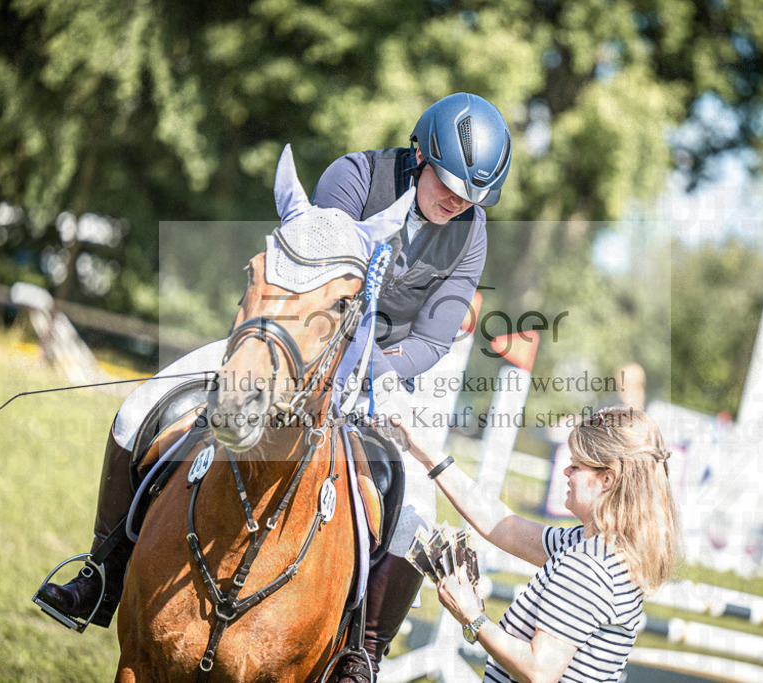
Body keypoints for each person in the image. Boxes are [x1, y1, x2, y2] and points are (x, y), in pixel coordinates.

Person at [35, 92, 512, 680]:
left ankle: (361, 652)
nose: (457, 201)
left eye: (473, 195)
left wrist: (372, 374)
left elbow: (436, 337)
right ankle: (102, 573)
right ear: (420, 153)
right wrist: (324, 355)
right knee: (139, 407)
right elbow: (314, 274)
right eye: (450, 184)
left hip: (383, 368)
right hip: (290, 337)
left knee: (415, 504)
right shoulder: (357, 175)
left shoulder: (471, 231)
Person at [395, 406, 680, 682]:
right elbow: (505, 527)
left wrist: (470, 615)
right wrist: (430, 457)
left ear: (607, 479)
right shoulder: (600, 548)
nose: (567, 472)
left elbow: (539, 671)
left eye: (577, 466)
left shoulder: (587, 564)